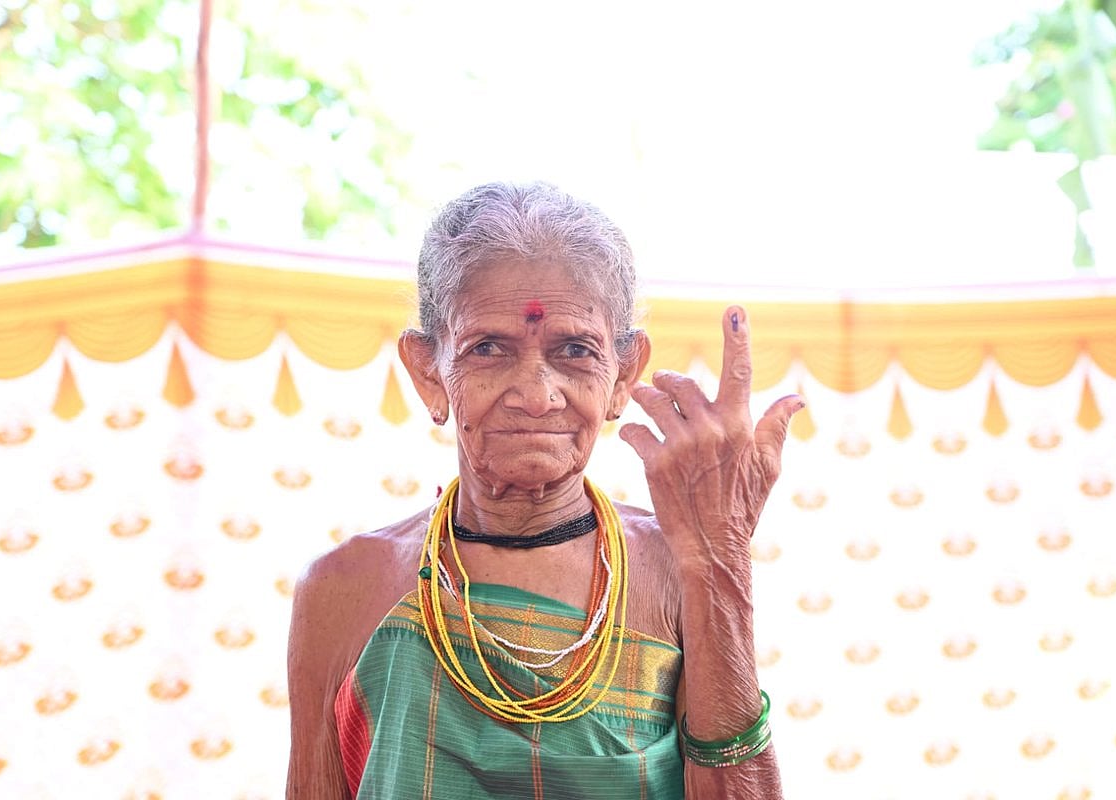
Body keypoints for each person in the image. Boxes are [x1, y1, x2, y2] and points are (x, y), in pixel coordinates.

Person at [286, 182, 802, 799]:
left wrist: (720, 557)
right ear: (429, 371)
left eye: (575, 350)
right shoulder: (343, 588)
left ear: (622, 374)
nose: (536, 395)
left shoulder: (682, 568)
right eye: (488, 349)